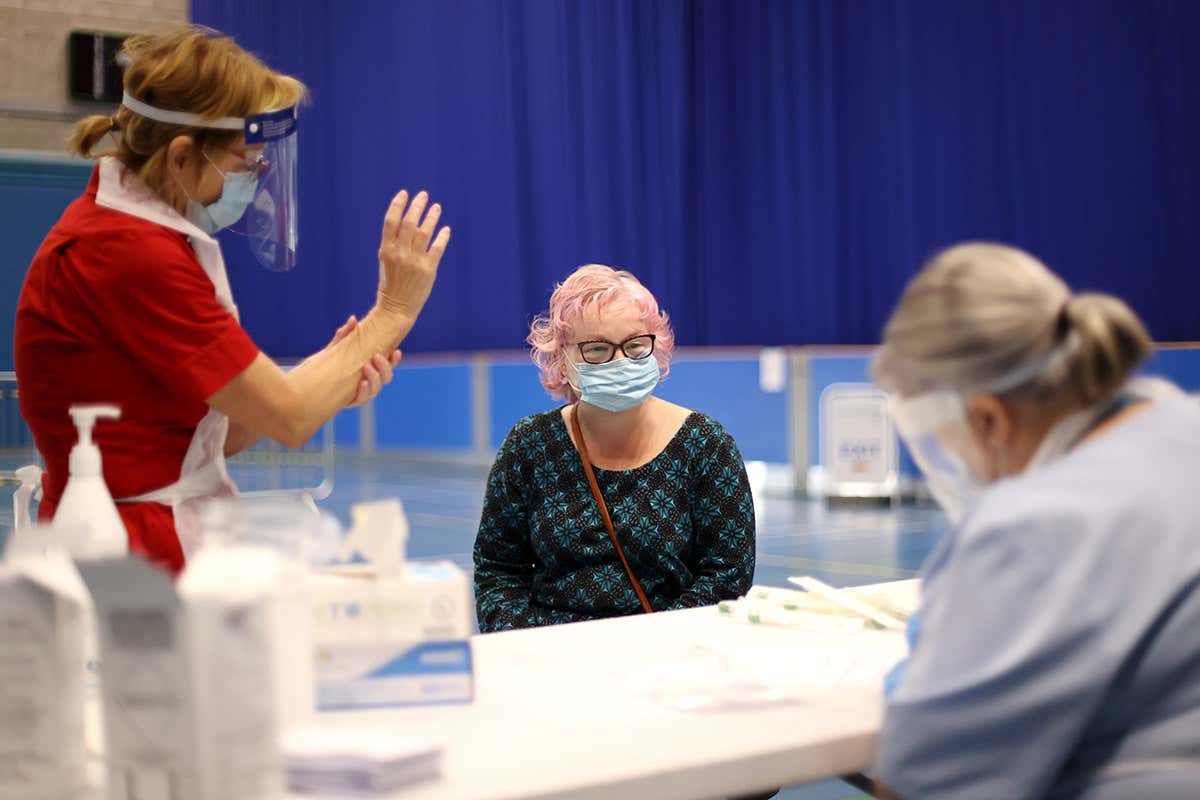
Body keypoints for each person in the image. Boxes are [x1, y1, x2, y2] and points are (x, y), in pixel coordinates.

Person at [14, 28, 451, 574]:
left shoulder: (136, 235)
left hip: (152, 539)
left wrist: (331, 379)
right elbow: (287, 418)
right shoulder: (129, 252)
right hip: (130, 559)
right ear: (180, 157)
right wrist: (392, 313)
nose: (256, 179)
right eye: (247, 164)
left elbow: (224, 430)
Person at [870, 243, 1200, 799]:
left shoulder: (1031, 528)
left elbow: (919, 786)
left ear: (988, 418)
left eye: (953, 447)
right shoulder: (1180, 424)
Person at [473, 264, 756, 632]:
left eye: (636, 345)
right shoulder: (529, 446)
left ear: (657, 346)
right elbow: (497, 575)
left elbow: (727, 577)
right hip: (551, 666)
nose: (620, 361)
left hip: (669, 664)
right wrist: (539, 650)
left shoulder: (705, 446)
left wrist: (649, 647)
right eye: (596, 349)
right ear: (563, 358)